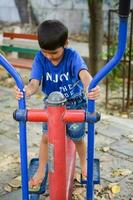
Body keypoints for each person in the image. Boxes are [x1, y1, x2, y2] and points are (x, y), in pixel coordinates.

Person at [15, 20, 100, 190]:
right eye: (45, 52)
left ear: (65, 44)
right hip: (52, 105)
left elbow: (84, 74)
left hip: (75, 104)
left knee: (77, 138)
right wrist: (26, 91)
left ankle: (84, 164)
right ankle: (41, 170)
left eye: (53, 52)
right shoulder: (41, 58)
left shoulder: (72, 56)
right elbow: (34, 83)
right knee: (46, 138)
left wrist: (91, 86)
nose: (49, 56)